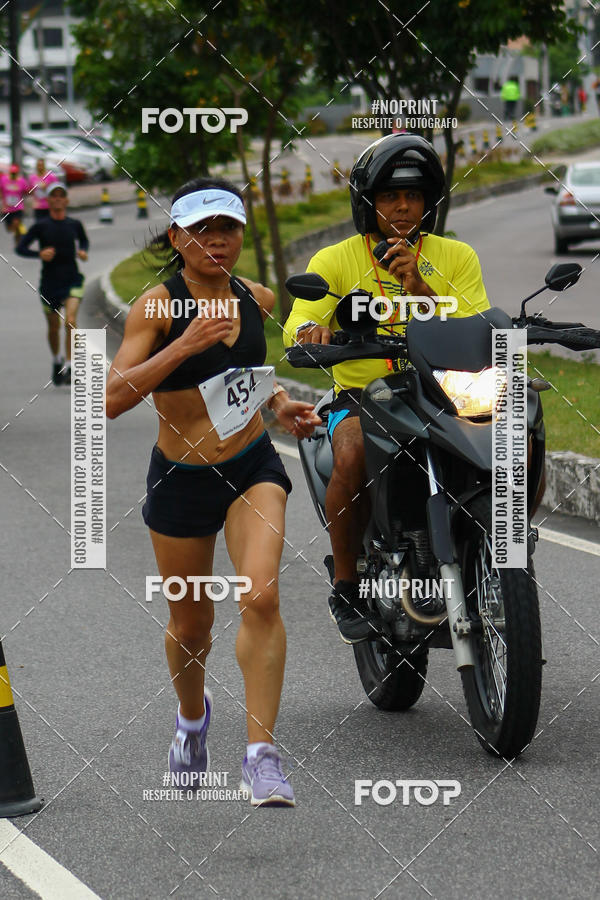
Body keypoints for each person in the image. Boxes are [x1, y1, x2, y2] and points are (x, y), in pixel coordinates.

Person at [106, 177, 320, 807]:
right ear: (177, 237)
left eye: (226, 229)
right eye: (200, 230)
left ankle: (261, 756)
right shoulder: (158, 308)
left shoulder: (254, 297)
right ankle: (193, 721)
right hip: (179, 480)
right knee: (191, 623)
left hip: (251, 466)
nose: (215, 241)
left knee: (261, 595)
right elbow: (112, 399)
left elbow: (250, 377)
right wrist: (188, 343)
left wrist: (279, 403)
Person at [283, 134, 490, 643]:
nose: (403, 207)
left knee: (517, 431)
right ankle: (346, 584)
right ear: (367, 203)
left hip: (443, 388)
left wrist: (421, 288)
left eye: (414, 196)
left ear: (430, 204)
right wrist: (315, 332)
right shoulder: (335, 260)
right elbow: (296, 325)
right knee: (351, 451)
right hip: (363, 396)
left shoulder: (456, 257)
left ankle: (506, 547)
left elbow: (480, 324)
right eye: (390, 196)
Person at [16, 184, 88, 385]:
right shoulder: (41, 226)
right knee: (53, 327)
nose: (57, 199)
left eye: (61, 196)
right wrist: (39, 254)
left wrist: (83, 251)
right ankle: (57, 359)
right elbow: (20, 248)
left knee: (70, 321)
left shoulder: (74, 224)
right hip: (49, 283)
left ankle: (71, 365)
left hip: (73, 279)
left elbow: (84, 241)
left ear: (66, 200)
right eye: (53, 196)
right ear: (48, 201)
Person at [1, 164, 29, 248]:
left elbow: (27, 191)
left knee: (16, 224)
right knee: (9, 228)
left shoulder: (21, 181)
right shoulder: (4, 179)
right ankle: (18, 233)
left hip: (18, 207)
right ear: (10, 172)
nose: (13, 174)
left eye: (15, 173)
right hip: (7, 208)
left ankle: (18, 243)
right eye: (12, 173)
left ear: (17, 173)